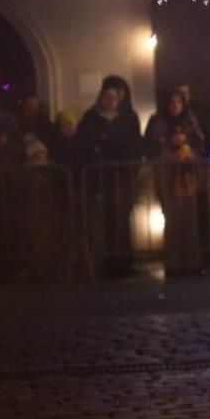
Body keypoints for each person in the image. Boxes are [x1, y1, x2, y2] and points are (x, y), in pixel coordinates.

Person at [74, 75, 143, 277]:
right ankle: (106, 262)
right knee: (103, 221)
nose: (111, 101)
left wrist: (132, 166)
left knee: (122, 219)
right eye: (107, 97)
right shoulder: (91, 117)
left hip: (122, 176)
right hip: (100, 178)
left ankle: (124, 260)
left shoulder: (127, 117)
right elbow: (85, 144)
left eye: (115, 97)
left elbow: (134, 144)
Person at [145, 86, 207, 276]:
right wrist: (169, 145)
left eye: (178, 102)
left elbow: (201, 141)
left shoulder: (191, 120)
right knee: (171, 219)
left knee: (190, 219)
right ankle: (173, 261)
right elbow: (150, 145)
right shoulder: (157, 121)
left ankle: (192, 260)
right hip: (166, 176)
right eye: (171, 102)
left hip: (188, 176)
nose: (174, 106)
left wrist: (187, 147)